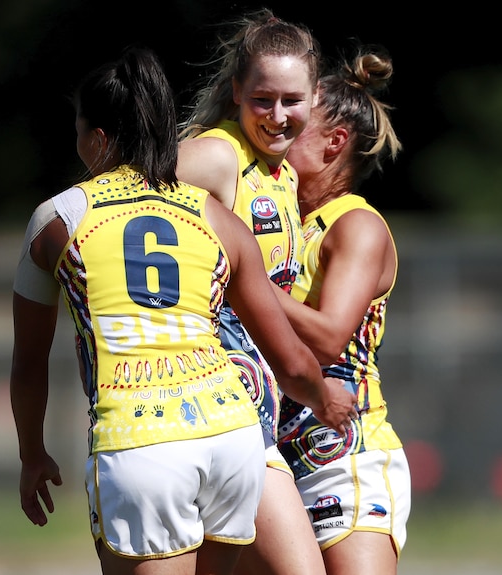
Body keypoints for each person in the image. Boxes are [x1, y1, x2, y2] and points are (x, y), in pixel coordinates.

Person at [9, 46, 358, 575]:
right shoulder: (216, 217)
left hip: (139, 440)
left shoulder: (56, 220)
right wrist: (323, 396)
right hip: (233, 439)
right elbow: (288, 359)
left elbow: (29, 363)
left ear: (97, 139)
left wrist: (32, 454)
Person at [176, 8, 349, 575]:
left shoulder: (285, 174)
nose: (277, 116)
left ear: (313, 97)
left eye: (292, 101)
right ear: (236, 93)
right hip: (213, 404)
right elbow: (130, 185)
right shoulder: (221, 155)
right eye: (262, 100)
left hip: (254, 411)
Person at [272, 45, 412, 575]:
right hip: (278, 458)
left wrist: (249, 288)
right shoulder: (283, 224)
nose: (280, 129)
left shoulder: (356, 223)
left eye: (298, 122)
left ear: (335, 142)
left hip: (345, 460)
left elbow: (330, 336)